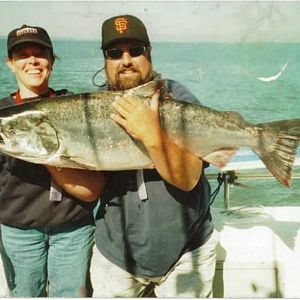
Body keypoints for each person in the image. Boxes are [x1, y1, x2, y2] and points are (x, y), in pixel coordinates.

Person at [90, 15, 219, 298]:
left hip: (189, 250)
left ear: (149, 54)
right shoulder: (89, 109)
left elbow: (188, 179)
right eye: (115, 53)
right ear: (105, 60)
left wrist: (151, 134)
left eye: (135, 51)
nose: (126, 60)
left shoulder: (177, 96)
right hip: (116, 256)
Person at [0, 24, 105, 297]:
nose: (32, 60)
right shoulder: (2, 116)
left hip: (73, 229)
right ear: (10, 63)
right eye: (22, 54)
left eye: (40, 53)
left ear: (51, 61)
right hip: (18, 232)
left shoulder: (74, 105)